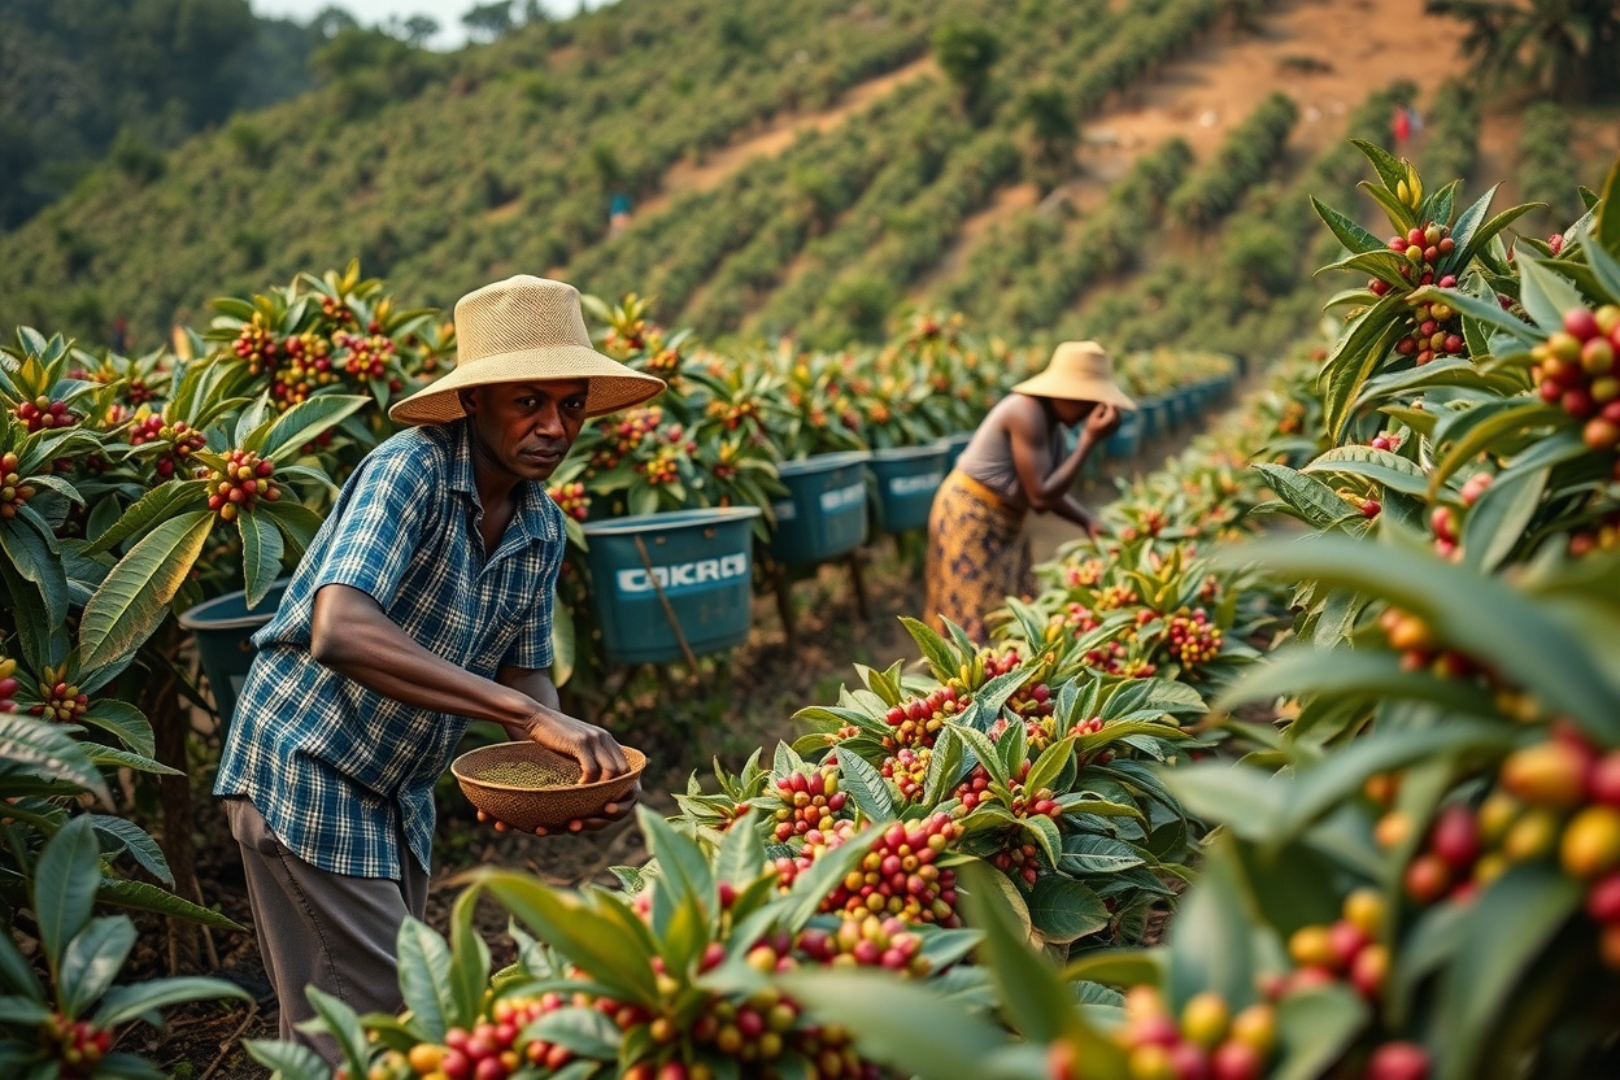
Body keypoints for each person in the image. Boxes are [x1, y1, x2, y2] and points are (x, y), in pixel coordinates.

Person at [213, 275, 665, 1063]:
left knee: (343, 1029)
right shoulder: (410, 470)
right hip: (305, 770)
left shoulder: (541, 525)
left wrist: (559, 776)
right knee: (389, 1021)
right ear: (473, 401)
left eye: (571, 405)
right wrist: (532, 720)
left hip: (395, 792)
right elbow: (340, 629)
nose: (554, 427)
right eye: (529, 402)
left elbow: (527, 674)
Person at [924, 340, 1134, 640]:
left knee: (1013, 606)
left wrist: (1086, 521)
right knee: (972, 612)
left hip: (1005, 518)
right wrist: (1088, 441)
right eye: (1087, 400)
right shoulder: (1027, 412)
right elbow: (1041, 496)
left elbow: (1045, 488)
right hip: (970, 514)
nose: (1092, 410)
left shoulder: (1052, 425)